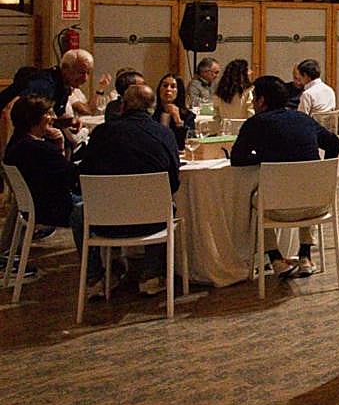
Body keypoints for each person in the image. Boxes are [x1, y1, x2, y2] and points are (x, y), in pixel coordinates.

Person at [230, 76, 339, 278]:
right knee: (307, 186)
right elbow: (335, 143)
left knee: (257, 198)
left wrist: (261, 159)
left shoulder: (255, 124)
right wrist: (325, 172)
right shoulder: (304, 119)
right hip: (318, 204)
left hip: (277, 207)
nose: (252, 102)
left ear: (262, 101)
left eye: (254, 97)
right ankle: (305, 256)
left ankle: (275, 259)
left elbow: (237, 159)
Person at [75, 84, 181, 298]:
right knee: (166, 205)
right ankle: (151, 275)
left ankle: (95, 278)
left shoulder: (101, 133)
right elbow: (173, 183)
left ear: (123, 106)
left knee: (78, 212)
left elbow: (84, 175)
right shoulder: (164, 133)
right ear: (152, 107)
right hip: (151, 221)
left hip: (103, 220)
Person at [3, 95, 77, 235]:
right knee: (101, 201)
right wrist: (60, 145)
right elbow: (71, 177)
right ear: (34, 118)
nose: (53, 117)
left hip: (33, 207)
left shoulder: (15, 144)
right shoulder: (38, 149)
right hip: (52, 210)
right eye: (48, 113)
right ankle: (95, 248)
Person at [0, 48, 94, 124]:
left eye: (88, 73)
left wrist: (67, 122)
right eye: (81, 72)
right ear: (65, 68)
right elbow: (8, 110)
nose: (85, 78)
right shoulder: (44, 85)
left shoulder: (64, 86)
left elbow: (48, 119)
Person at [152, 74, 196, 151]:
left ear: (179, 91)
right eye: (165, 86)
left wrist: (178, 120)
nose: (168, 89)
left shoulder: (188, 116)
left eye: (173, 86)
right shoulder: (151, 114)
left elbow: (187, 143)